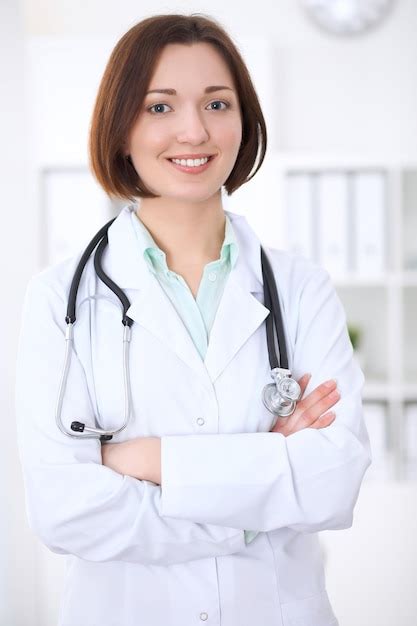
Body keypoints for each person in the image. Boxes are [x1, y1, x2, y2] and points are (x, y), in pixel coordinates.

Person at [15, 13, 372, 626]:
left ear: (244, 121)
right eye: (159, 107)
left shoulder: (301, 288)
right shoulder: (58, 301)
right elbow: (64, 509)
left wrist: (149, 459)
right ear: (120, 127)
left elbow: (332, 482)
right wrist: (260, 488)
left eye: (217, 102)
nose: (193, 130)